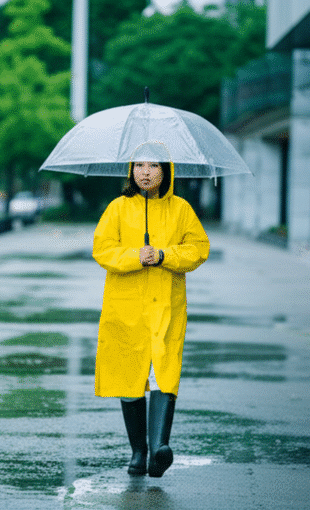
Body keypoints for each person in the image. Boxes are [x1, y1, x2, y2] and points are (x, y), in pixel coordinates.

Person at [92, 141, 210, 477]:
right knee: (129, 377)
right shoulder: (117, 208)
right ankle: (138, 451)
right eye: (139, 165)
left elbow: (199, 248)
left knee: (164, 373)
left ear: (166, 170)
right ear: (131, 170)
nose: (146, 172)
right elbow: (102, 249)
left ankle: (159, 447)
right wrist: (134, 257)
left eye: (153, 165)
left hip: (166, 307)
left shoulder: (181, 209)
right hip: (126, 307)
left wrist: (164, 256)